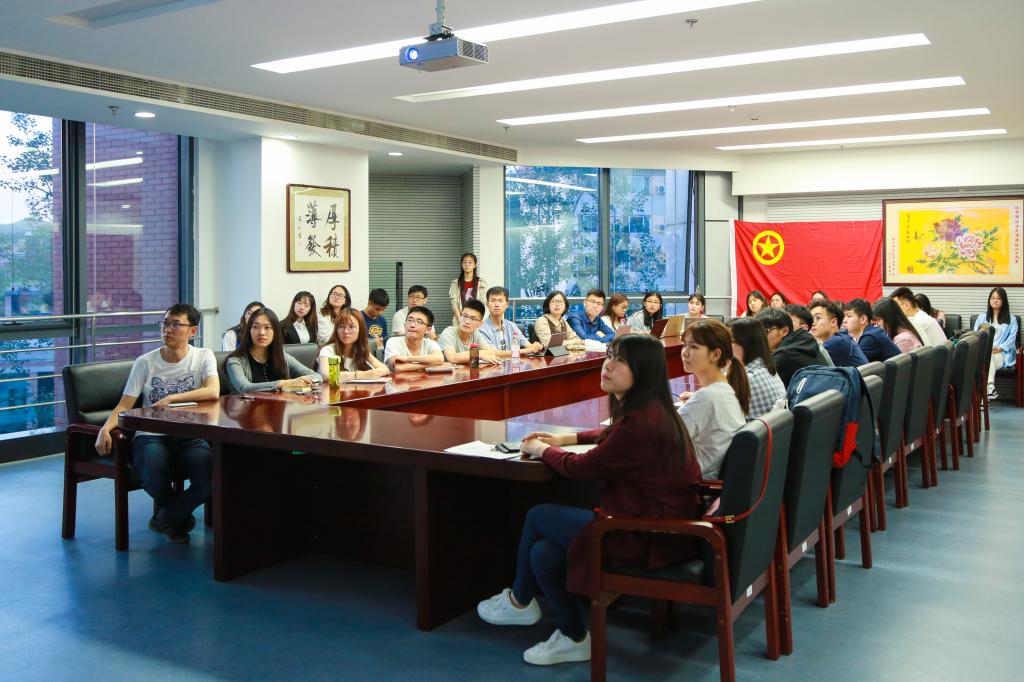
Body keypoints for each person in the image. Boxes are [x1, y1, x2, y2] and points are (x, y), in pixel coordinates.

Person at [477, 334, 701, 666]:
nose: (608, 365)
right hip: (656, 526)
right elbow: (611, 435)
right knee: (544, 553)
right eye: (609, 356)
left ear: (643, 371)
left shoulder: (641, 424)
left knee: (538, 515)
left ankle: (519, 600)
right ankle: (573, 637)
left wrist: (542, 449)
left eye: (620, 361)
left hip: (648, 535)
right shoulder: (650, 412)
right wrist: (568, 437)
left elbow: (580, 468)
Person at [94, 303, 219, 543]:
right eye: (165, 323)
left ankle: (165, 519)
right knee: (153, 473)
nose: (167, 329)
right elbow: (124, 405)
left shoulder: (203, 356)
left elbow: (212, 391)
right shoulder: (145, 362)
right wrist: (105, 429)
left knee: (210, 478)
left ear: (192, 331)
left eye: (176, 324)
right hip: (150, 434)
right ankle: (177, 519)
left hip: (190, 434)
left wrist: (171, 398)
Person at [677, 319, 749, 479]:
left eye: (693, 347)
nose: (685, 353)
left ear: (715, 354)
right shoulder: (724, 389)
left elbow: (663, 436)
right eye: (685, 345)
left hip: (697, 483)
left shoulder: (707, 397)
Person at [226, 307, 320, 393]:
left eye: (267, 327)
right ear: (249, 331)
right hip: (245, 406)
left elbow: (317, 376)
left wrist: (305, 381)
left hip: (278, 405)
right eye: (255, 327)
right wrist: (286, 383)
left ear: (275, 332)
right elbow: (244, 387)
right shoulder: (235, 360)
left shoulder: (281, 356)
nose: (262, 332)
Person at [728, 317, 786, 418]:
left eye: (731, 340)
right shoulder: (765, 369)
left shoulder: (747, 379)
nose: (725, 346)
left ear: (746, 343)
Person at [756, 307, 828, 387]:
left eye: (765, 331)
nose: (759, 337)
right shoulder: (803, 341)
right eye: (757, 332)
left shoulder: (784, 355)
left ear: (784, 331)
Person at [317, 309, 390, 380]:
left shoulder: (362, 350)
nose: (346, 331)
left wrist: (375, 373)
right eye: (341, 326)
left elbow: (385, 370)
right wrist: (363, 375)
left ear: (360, 329)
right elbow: (327, 375)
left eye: (351, 327)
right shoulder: (328, 350)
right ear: (336, 330)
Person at [973, 286, 1018, 399]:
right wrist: (986, 349)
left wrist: (1000, 348)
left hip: (1002, 353)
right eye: (993, 298)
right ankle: (990, 388)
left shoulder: (1012, 319)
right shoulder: (982, 317)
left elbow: (1012, 339)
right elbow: (975, 335)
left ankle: (986, 395)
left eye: (998, 298)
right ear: (989, 300)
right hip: (984, 353)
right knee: (987, 356)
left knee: (987, 362)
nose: (995, 300)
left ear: (1003, 301)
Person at [479, 286, 543, 357]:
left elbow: (527, 344)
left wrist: (535, 346)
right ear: (487, 304)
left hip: (513, 363)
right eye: (493, 301)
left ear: (506, 305)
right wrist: (526, 350)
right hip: (493, 364)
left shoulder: (511, 325)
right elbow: (493, 353)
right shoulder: (481, 329)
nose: (496, 305)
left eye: (500, 301)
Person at [438, 298, 500, 365]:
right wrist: (479, 355)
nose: (467, 321)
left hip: (466, 371)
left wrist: (474, 355)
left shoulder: (475, 333)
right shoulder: (448, 333)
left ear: (480, 324)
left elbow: (491, 352)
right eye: (465, 316)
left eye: (473, 318)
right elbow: (452, 358)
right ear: (460, 316)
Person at [383, 305, 446, 371]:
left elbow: (439, 359)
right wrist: (431, 364)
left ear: (428, 329)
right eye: (410, 320)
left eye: (419, 322)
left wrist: (407, 359)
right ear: (404, 324)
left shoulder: (430, 343)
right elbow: (398, 367)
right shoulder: (393, 342)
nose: (412, 325)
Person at [809, 299, 868, 367]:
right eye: (811, 319)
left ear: (833, 322)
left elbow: (807, 363)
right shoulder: (841, 338)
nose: (812, 323)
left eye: (817, 318)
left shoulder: (837, 341)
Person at [842, 298, 900, 362]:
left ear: (863, 319)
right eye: (844, 316)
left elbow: (851, 364)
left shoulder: (871, 337)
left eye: (849, 316)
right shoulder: (870, 333)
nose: (844, 321)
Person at [448, 252, 489, 328]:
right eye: (464, 262)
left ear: (475, 265)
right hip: (459, 322)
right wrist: (461, 321)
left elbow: (483, 304)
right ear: (461, 264)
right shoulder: (455, 283)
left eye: (470, 262)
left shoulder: (482, 284)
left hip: (476, 322)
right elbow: (454, 304)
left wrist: (476, 321)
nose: (467, 265)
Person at [361, 288, 390, 354]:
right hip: (362, 356)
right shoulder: (358, 318)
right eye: (377, 309)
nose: (380, 313)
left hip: (379, 356)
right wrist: (372, 342)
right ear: (369, 303)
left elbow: (385, 342)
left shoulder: (382, 320)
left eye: (383, 309)